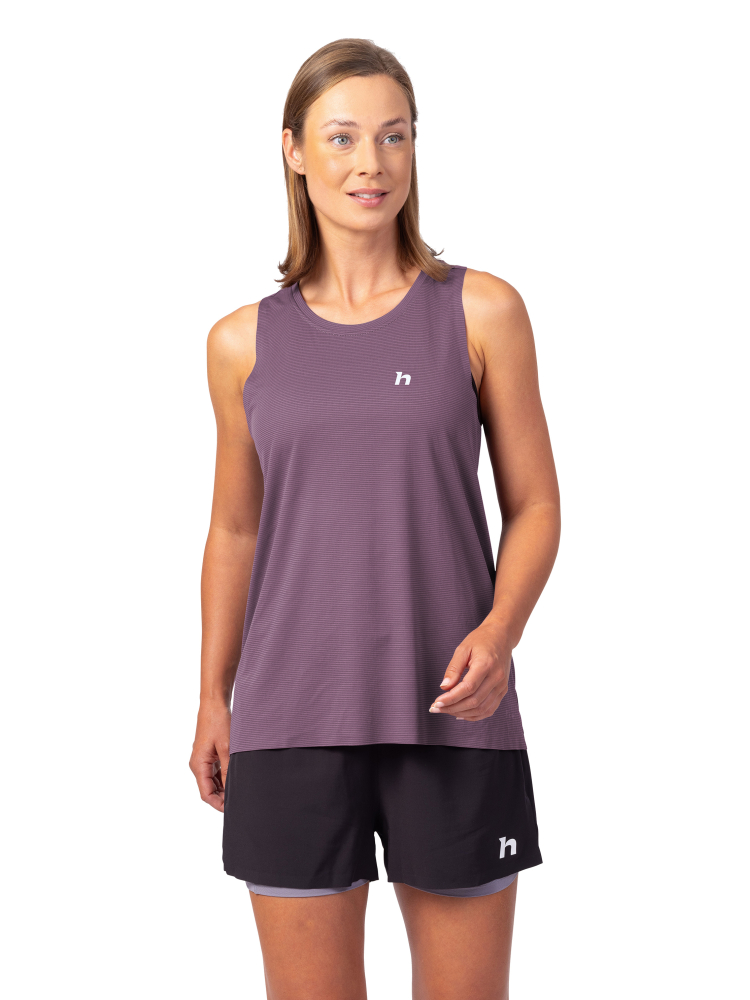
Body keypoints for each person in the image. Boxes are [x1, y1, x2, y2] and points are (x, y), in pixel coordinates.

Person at [189, 37, 560, 1000]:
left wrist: (501, 632)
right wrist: (213, 695)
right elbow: (235, 530)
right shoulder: (240, 343)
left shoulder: (480, 311)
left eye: (394, 136)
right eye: (343, 137)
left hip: (452, 709)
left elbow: (534, 503)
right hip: (289, 719)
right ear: (293, 150)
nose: (372, 163)